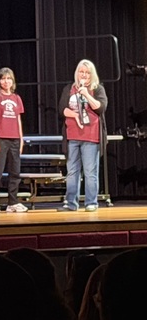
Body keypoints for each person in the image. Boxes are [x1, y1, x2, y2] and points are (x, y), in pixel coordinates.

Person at [59, 59, 107, 212]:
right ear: (77, 73)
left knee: (90, 172)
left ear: (91, 75)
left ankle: (91, 202)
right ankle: (71, 203)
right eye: (81, 72)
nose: (84, 75)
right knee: (72, 172)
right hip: (72, 136)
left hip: (91, 137)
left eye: (87, 72)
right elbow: (62, 109)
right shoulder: (69, 88)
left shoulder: (97, 89)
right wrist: (74, 115)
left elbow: (100, 108)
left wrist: (86, 93)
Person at [0, 67, 27, 213]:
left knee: (15, 172)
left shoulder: (16, 98)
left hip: (15, 139)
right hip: (0, 138)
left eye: (9, 78)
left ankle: (13, 202)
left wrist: (21, 139)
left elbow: (18, 120)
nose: (6, 81)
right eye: (3, 78)